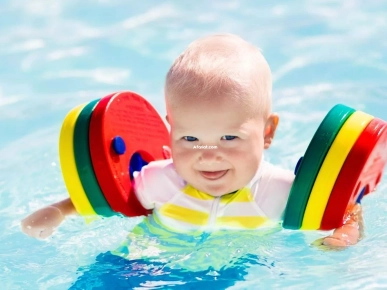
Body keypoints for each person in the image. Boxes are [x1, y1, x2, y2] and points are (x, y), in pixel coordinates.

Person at [20, 33, 363, 248]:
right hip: (150, 261)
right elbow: (108, 198)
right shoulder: (162, 179)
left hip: (240, 269)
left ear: (268, 132)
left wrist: (343, 236)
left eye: (229, 137)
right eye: (191, 138)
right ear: (170, 130)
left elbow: (347, 210)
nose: (208, 155)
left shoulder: (280, 191)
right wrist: (59, 210)